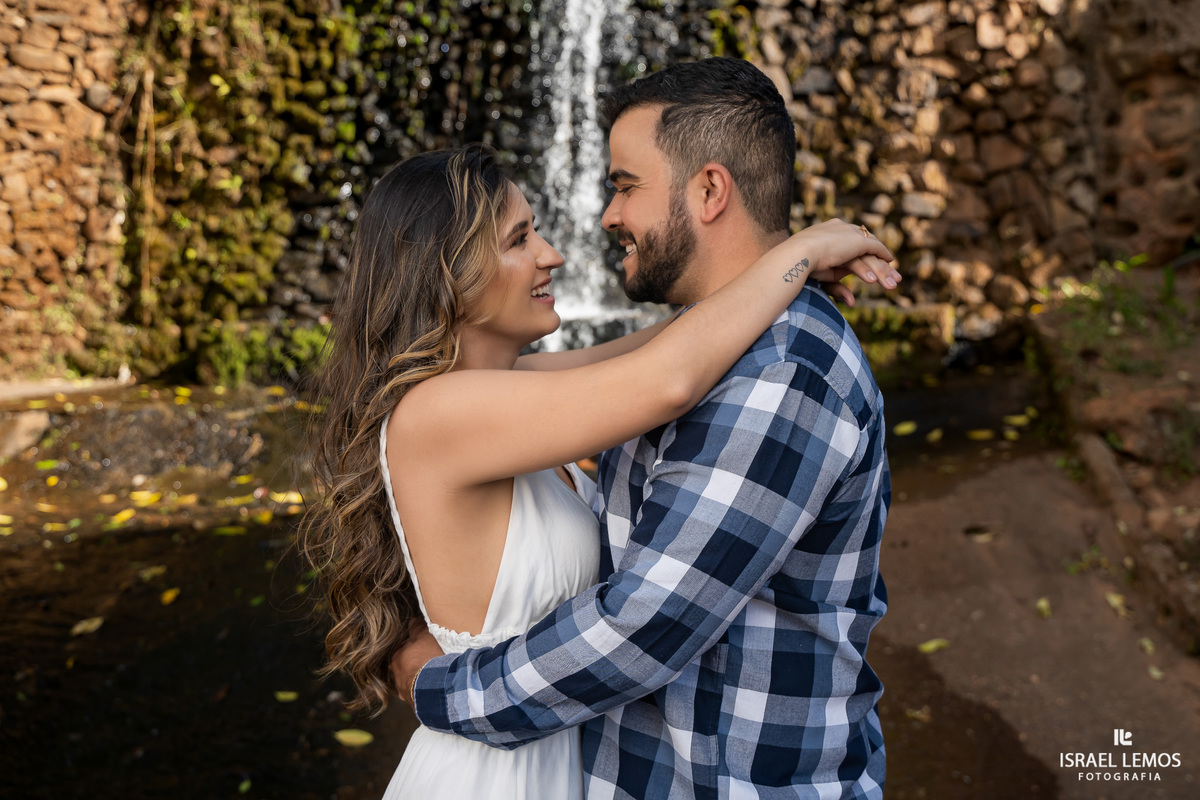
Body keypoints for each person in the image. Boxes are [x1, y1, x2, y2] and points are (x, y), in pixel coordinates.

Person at [390, 57, 894, 798]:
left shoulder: (782, 371)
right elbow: (665, 370)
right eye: (519, 238)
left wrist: (441, 691)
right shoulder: (471, 400)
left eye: (625, 185)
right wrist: (795, 255)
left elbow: (642, 629)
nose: (601, 221)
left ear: (710, 190)